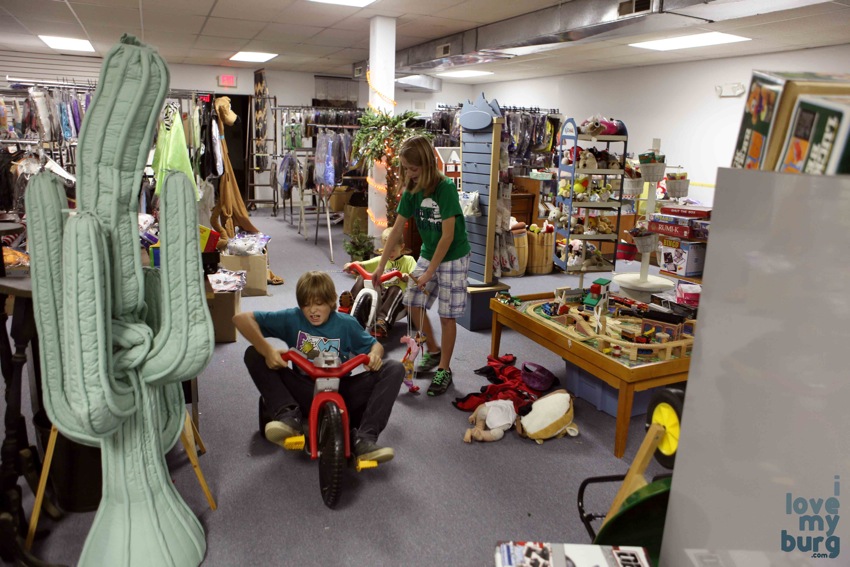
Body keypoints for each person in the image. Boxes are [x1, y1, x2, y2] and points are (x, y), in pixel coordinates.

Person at [234, 271, 405, 463]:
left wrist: (374, 356)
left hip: (341, 391)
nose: (312, 311)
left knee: (394, 368)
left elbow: (376, 346)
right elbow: (241, 319)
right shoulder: (293, 318)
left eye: (319, 303)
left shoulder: (346, 324)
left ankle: (364, 439)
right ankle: (288, 416)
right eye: (306, 304)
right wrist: (267, 351)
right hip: (304, 390)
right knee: (254, 353)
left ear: (331, 301)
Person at [372, 136, 470, 397]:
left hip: (454, 255)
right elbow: (396, 229)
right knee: (412, 301)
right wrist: (381, 266)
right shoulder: (412, 190)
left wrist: (429, 272)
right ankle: (434, 351)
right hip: (429, 252)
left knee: (447, 315)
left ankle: (444, 369)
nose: (408, 174)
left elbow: (447, 237)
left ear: (427, 165)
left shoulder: (445, 188)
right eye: (405, 168)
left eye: (413, 169)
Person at [344, 227, 417, 337]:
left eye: (393, 250)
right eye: (387, 249)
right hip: (381, 293)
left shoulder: (408, 260)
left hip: (398, 298)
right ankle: (350, 303)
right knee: (364, 278)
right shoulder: (382, 260)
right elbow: (363, 264)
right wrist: (352, 265)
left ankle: (382, 321)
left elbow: (415, 276)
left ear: (402, 247)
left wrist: (407, 276)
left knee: (395, 289)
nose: (389, 253)